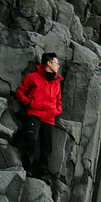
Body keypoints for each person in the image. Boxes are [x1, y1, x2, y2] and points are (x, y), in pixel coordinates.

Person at [16, 52, 63, 180]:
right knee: (31, 142)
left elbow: (59, 102)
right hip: (34, 114)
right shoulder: (32, 77)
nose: (58, 66)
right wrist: (29, 102)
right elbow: (19, 91)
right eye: (56, 63)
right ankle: (27, 169)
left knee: (47, 147)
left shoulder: (57, 83)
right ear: (48, 63)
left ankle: (43, 173)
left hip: (49, 118)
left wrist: (55, 110)